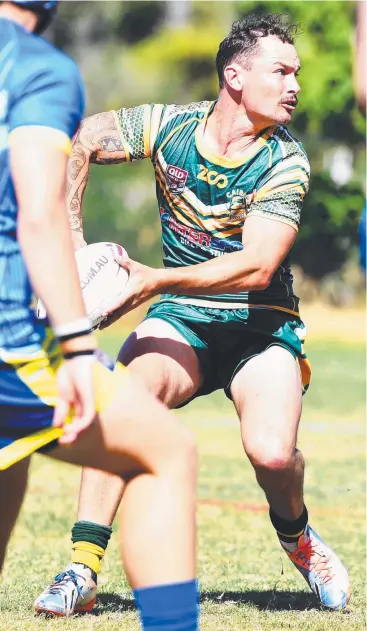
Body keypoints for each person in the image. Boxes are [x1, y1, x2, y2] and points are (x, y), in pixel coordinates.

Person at [36, 12, 350, 615]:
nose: (295, 85)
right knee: (122, 401)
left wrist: (153, 280)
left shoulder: (285, 161)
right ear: (235, 75)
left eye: (297, 73)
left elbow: (257, 266)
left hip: (260, 326)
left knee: (272, 455)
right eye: (281, 71)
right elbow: (86, 138)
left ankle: (299, 538)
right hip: (183, 318)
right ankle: (82, 568)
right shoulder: (171, 126)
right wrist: (74, 242)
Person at [0, 2, 200, 629]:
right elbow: (39, 213)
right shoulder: (35, 68)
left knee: (12, 462)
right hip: (10, 342)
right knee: (163, 452)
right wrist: (79, 346)